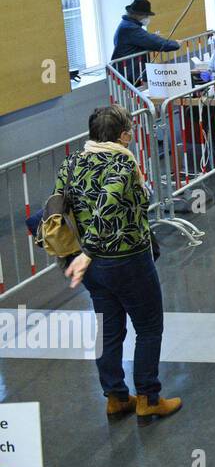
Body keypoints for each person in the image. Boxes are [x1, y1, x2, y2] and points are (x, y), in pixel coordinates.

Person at [58, 105, 181, 421]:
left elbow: (56, 207)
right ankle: (148, 397)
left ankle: (115, 396)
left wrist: (83, 253)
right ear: (125, 135)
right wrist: (91, 250)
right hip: (126, 260)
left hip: (93, 268)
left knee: (107, 329)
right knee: (149, 327)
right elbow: (107, 206)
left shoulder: (70, 164)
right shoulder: (123, 166)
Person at [110, 0, 181, 83]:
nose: (147, 18)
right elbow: (153, 42)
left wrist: (152, 36)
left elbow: (141, 39)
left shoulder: (126, 24)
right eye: (146, 15)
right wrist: (175, 44)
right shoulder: (130, 28)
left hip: (128, 69)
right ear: (137, 15)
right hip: (130, 71)